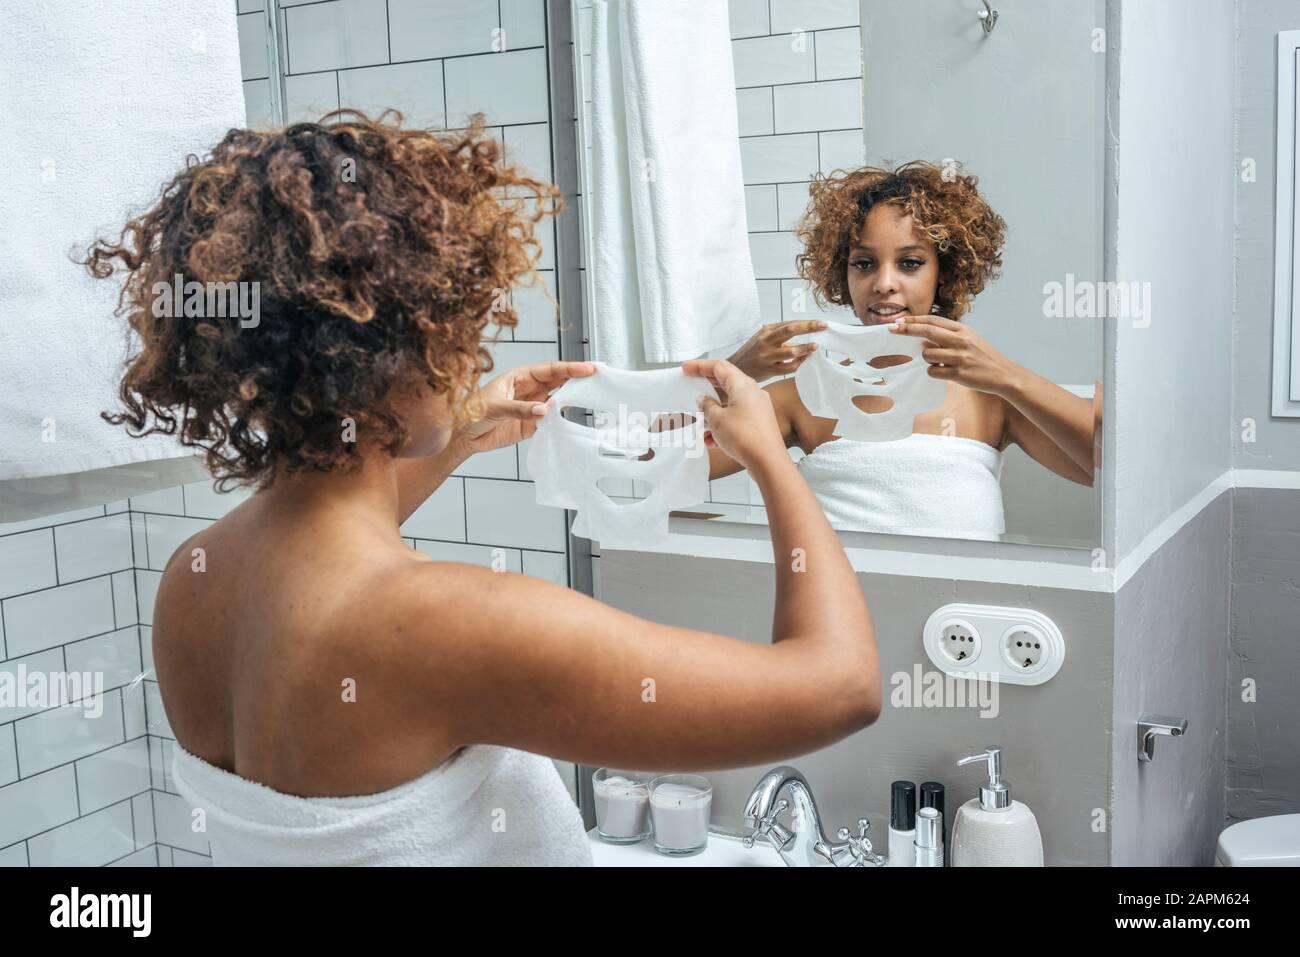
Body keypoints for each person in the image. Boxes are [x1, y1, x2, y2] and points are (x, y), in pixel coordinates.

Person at [80, 110, 880, 866]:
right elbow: (839, 686)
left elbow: (333, 564)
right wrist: (773, 454)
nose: (466, 358)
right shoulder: (451, 622)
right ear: (399, 360)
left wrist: (456, 434)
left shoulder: (195, 581)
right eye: (455, 331)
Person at [716, 162, 1096, 537]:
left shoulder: (991, 399)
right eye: (863, 263)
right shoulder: (803, 396)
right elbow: (660, 461)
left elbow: (1108, 470)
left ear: (943, 271)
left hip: (959, 600)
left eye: (910, 263)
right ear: (841, 273)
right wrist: (733, 373)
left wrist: (1007, 377)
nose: (883, 283)